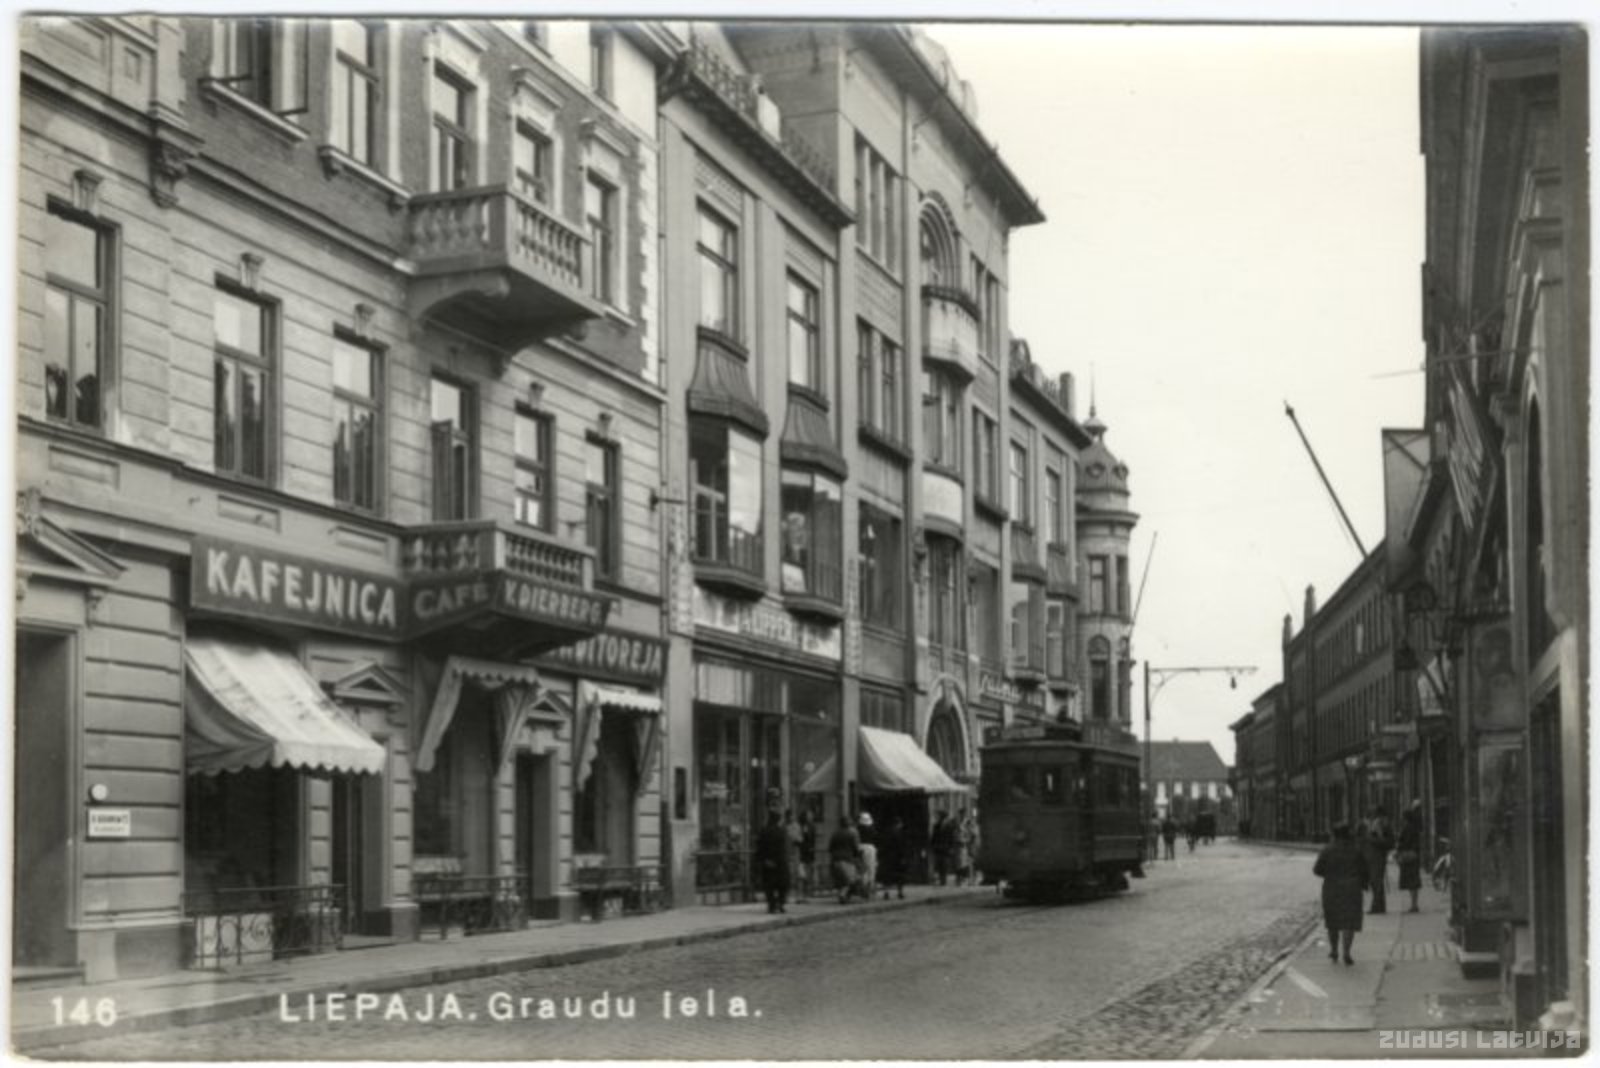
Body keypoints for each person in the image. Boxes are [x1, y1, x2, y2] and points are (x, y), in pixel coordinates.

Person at [1315, 822, 1368, 965]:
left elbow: (1317, 869)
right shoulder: (1355, 850)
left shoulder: (1327, 850)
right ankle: (1346, 952)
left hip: (1332, 888)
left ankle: (1334, 950)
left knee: (1333, 921)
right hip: (1352, 888)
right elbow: (1364, 870)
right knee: (1349, 922)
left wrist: (1329, 874)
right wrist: (1364, 884)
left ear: (1334, 835)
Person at [754, 811, 792, 915]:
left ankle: (772, 905)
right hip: (780, 862)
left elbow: (760, 846)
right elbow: (783, 848)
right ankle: (780, 903)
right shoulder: (781, 832)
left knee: (769, 886)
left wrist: (763, 859)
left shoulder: (764, 831)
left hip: (767, 862)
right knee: (783, 884)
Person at [1364, 807, 1395, 915]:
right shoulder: (1377, 825)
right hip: (1372, 857)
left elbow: (1387, 842)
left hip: (1377, 857)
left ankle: (1376, 906)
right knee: (1375, 882)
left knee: (1376, 882)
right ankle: (1379, 905)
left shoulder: (1383, 826)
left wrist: (1371, 838)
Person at [828, 816, 863, 904]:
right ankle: (842, 895)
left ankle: (843, 894)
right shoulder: (851, 834)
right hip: (847, 859)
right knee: (851, 880)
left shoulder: (834, 834)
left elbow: (830, 848)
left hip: (835, 860)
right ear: (848, 824)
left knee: (840, 880)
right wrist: (858, 855)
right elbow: (855, 848)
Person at [1396, 801, 1424, 913]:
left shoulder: (1407, 828)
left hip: (1409, 856)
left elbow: (1404, 842)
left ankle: (1414, 904)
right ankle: (1414, 904)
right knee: (1413, 882)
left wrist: (1399, 850)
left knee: (1411, 882)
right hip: (1413, 855)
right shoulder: (1413, 827)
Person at [878, 815, 908, 900]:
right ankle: (900, 892)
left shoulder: (886, 833)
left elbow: (883, 845)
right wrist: (903, 857)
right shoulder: (900, 833)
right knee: (900, 875)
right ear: (898, 824)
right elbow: (901, 846)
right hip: (897, 857)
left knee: (887, 876)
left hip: (887, 857)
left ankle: (886, 893)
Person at [931, 810, 957, 886]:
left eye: (942, 817)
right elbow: (934, 837)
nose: (940, 819)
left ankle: (943, 880)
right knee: (939, 864)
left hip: (946, 848)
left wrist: (951, 847)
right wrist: (933, 845)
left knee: (945, 864)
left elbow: (952, 838)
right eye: (940, 817)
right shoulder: (936, 826)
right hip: (938, 848)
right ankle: (941, 879)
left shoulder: (949, 827)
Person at [783, 809, 804, 900]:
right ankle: (788, 894)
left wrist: (797, 839)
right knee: (789, 874)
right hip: (787, 854)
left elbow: (800, 839)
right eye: (789, 816)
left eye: (792, 816)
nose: (791, 818)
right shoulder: (784, 826)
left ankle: (799, 895)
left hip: (796, 853)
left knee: (800, 875)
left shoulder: (796, 826)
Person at [857, 813, 878, 898]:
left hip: (860, 847)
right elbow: (876, 838)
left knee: (862, 870)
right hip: (870, 848)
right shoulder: (871, 830)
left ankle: (863, 888)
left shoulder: (858, 829)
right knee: (871, 869)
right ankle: (869, 888)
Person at [797, 810, 818, 899]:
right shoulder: (803, 826)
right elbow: (805, 839)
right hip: (804, 853)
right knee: (803, 874)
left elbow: (812, 839)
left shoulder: (812, 826)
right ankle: (803, 893)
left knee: (808, 873)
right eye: (809, 815)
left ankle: (808, 892)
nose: (811, 817)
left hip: (809, 852)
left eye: (811, 815)